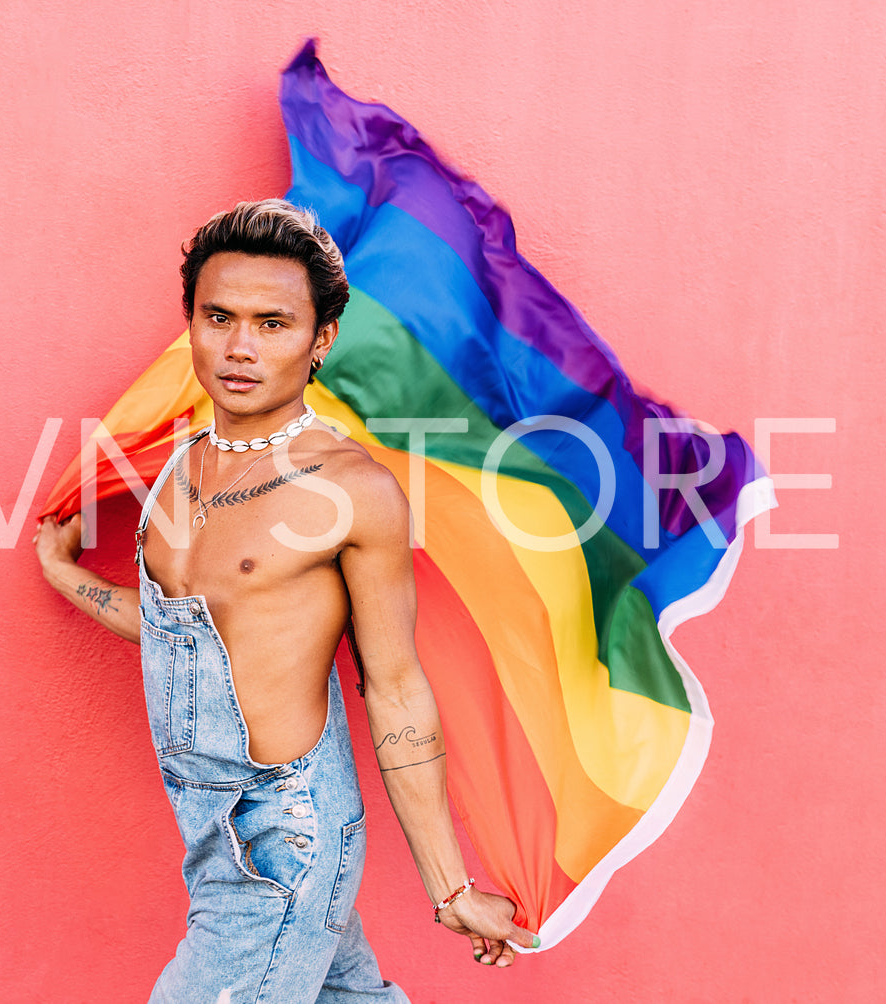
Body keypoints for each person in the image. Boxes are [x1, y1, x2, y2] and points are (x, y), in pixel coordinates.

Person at [33, 199, 536, 1003]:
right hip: (210, 834)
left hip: (281, 844)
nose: (239, 349)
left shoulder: (352, 492)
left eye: (273, 324)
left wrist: (448, 888)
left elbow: (397, 686)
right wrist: (69, 578)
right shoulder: (177, 465)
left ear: (319, 339)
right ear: (190, 324)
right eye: (219, 318)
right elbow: (184, 638)